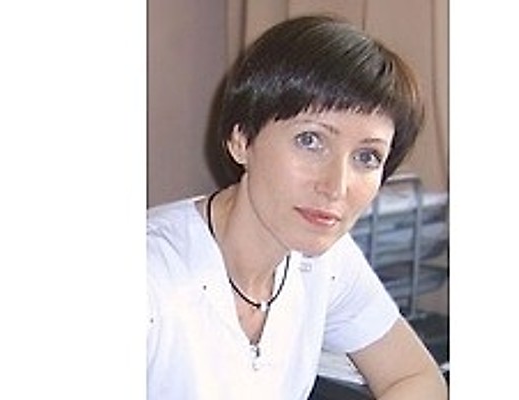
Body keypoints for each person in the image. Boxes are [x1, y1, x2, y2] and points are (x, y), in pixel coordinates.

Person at [147, 15, 447, 399]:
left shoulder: (325, 262)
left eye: (367, 157)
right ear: (241, 139)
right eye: (310, 140)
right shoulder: (153, 280)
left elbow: (415, 377)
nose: (336, 186)